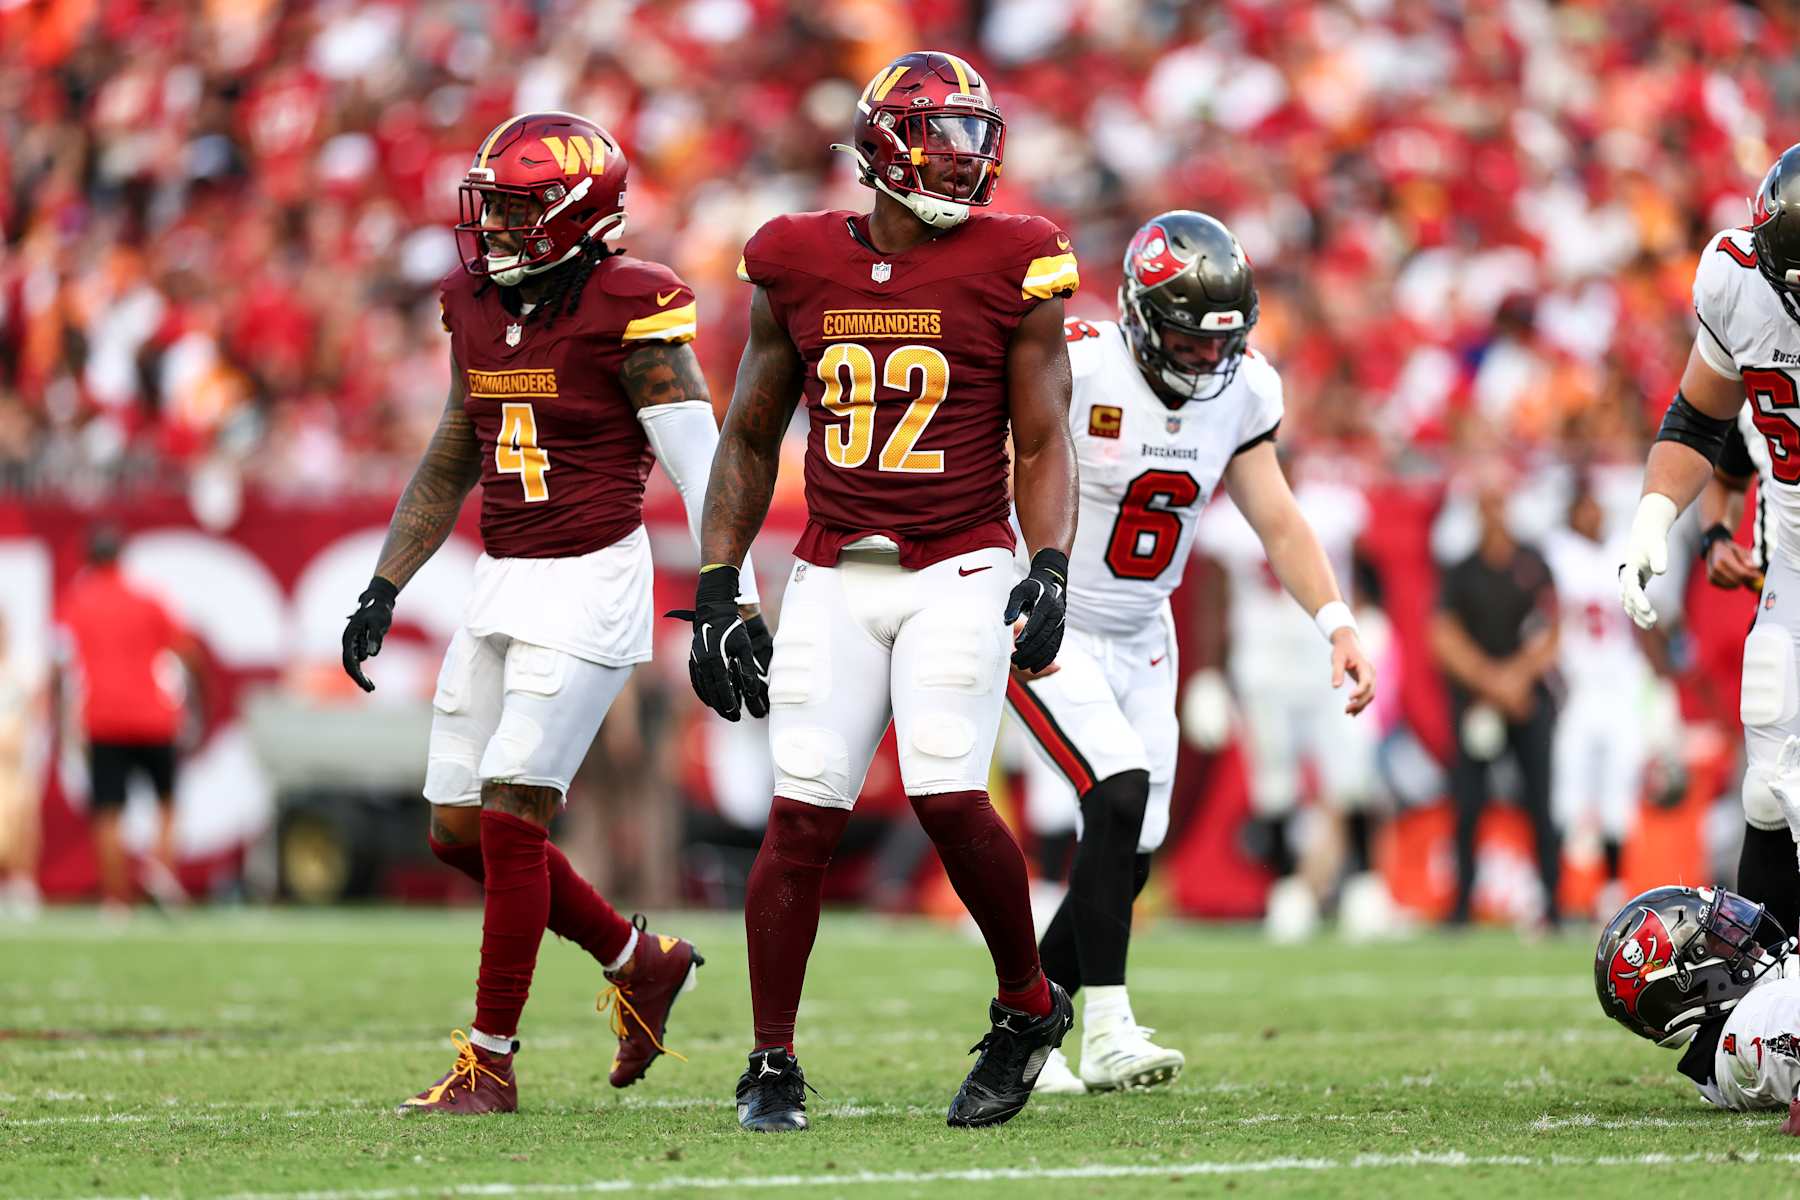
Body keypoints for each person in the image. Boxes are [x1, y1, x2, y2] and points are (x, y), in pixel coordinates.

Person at [687, 50, 1079, 1132]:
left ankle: (1026, 1005)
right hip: (830, 567)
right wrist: (722, 582)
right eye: (939, 135)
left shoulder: (1018, 258)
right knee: (801, 815)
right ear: (881, 146)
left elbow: (1042, 440)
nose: (963, 158)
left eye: (971, 136)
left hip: (960, 561)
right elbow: (749, 433)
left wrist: (1049, 563)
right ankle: (771, 1059)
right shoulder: (794, 259)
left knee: (950, 795)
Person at [340, 111, 761, 1114]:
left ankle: (490, 1062)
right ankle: (636, 959)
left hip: (589, 580)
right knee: (455, 832)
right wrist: (385, 581)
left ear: (578, 214)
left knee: (512, 817)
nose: (494, 227)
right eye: (492, 206)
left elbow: (707, 463)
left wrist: (724, 593)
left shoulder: (634, 303)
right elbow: (455, 447)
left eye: (521, 209)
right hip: (503, 573)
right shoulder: (477, 303)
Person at [1011, 213, 1376, 1095]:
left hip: (1145, 632)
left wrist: (1337, 620)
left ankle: (1021, 1032)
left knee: (1132, 850)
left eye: (1223, 343)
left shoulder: (1246, 390)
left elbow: (1277, 517)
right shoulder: (1082, 361)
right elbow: (1001, 463)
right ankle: (1105, 1027)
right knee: (1118, 791)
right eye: (1186, 338)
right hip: (1053, 620)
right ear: (1140, 315)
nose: (1208, 360)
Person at [1620, 144, 1800, 938]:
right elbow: (1702, 417)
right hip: (1792, 564)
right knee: (1769, 790)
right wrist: (1657, 517)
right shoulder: (1735, 278)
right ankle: (1771, 1005)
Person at [1192, 447, 1389, 946]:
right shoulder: (1225, 524)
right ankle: (1287, 891)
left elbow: (1366, 570)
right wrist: (1209, 674)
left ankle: (1363, 886)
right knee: (1274, 784)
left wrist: (1370, 618)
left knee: (1352, 774)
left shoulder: (1332, 508)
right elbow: (1214, 600)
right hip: (1263, 669)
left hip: (1328, 662)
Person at [1432, 464, 1562, 927]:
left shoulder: (1533, 563)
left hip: (1527, 698)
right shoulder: (1462, 570)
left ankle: (1554, 903)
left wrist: (1516, 679)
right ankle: (1461, 905)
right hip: (1478, 702)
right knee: (1467, 805)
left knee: (1541, 803)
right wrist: (1494, 683)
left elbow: (1551, 630)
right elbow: (1445, 637)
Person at [57, 526, 202, 911]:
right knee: (167, 801)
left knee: (108, 809)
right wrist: (201, 702)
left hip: (102, 718)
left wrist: (61, 721)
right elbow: (187, 651)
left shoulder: (76, 603)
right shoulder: (148, 599)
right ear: (121, 556)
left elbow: (60, 664)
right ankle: (159, 869)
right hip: (155, 715)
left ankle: (116, 898)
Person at [1595, 882, 1800, 1132]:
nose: (1740, 934)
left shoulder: (1749, 1010)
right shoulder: (1752, 1022)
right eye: (1718, 936)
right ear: (1691, 986)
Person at [1544, 478, 1650, 919]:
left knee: (1617, 794)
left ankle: (1611, 887)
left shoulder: (1622, 552)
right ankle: (1557, 891)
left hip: (1622, 688)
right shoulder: (1559, 554)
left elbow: (1652, 622)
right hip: (1579, 689)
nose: (1593, 516)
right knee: (1568, 791)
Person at [0, 611, 45, 919]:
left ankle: (21, 883)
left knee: (21, 821)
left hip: (14, 764)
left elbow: (35, 713)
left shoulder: (20, 672)